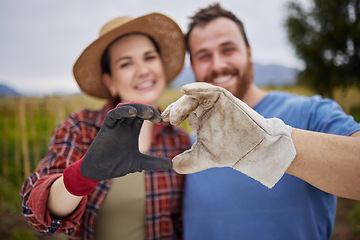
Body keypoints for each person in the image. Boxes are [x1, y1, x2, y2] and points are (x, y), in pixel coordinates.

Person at [162, 3, 360, 239]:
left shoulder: (309, 112)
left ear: (249, 52)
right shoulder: (192, 147)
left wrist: (268, 142)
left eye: (228, 50)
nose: (217, 65)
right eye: (204, 56)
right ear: (193, 66)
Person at [20, 13, 191, 240]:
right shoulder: (80, 128)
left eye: (149, 57)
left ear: (161, 66)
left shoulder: (178, 139)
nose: (142, 70)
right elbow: (35, 210)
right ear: (110, 82)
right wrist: (82, 176)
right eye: (126, 63)